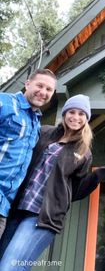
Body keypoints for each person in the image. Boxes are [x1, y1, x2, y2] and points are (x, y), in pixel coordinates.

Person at [0, 94, 105, 271]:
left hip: (43, 216)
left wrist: (98, 175)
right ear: (65, 113)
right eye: (72, 112)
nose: (75, 117)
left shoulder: (83, 152)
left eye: (81, 114)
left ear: (86, 119)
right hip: (17, 208)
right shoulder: (44, 132)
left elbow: (75, 190)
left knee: (10, 269)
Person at [0, 69, 57, 239]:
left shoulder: (35, 123)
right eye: (40, 85)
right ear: (27, 84)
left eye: (49, 89)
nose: (43, 92)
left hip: (4, 206)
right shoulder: (5, 102)